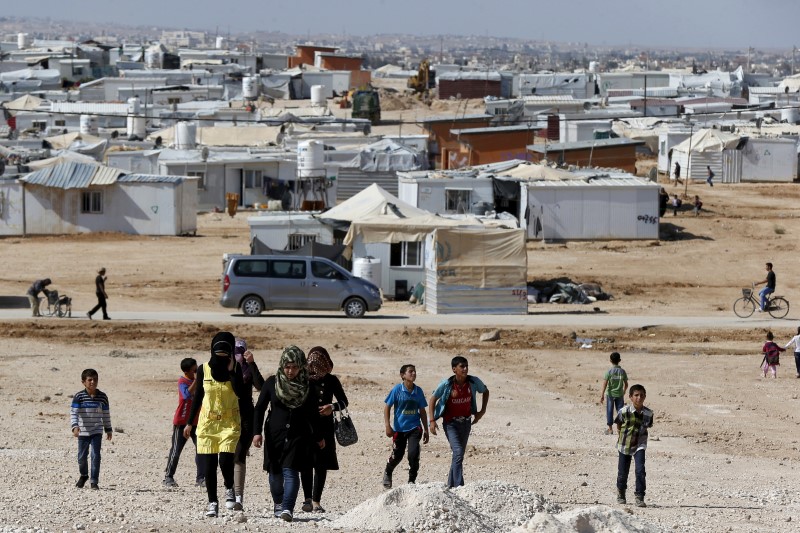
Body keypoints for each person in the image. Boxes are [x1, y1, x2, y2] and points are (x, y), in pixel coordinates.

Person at [252, 346, 324, 523]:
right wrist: (256, 433)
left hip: (298, 435)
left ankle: (287, 508)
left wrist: (319, 436)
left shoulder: (308, 386)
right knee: (275, 475)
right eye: (287, 366)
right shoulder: (271, 383)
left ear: (301, 366)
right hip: (274, 435)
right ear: (282, 365)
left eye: (294, 367)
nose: (290, 371)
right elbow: (260, 408)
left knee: (291, 472)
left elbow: (314, 414)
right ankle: (278, 502)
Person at [184, 332, 244, 518]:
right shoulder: (203, 369)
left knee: (225, 460)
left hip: (229, 422)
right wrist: (189, 423)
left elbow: (240, 392)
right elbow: (198, 397)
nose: (220, 358)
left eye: (224, 354)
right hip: (207, 423)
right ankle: (212, 502)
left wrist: (233, 370)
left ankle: (229, 487)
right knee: (209, 466)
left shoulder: (236, 369)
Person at [428, 356, 489, 488]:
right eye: (462, 366)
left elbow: (485, 391)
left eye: (466, 366)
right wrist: (432, 420)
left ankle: (450, 486)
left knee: (458, 455)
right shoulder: (447, 384)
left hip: (466, 423)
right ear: (454, 369)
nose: (465, 369)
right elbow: (433, 399)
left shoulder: (473, 382)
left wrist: (482, 411)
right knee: (458, 452)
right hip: (451, 424)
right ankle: (459, 486)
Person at [301, 346, 348, 513]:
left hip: (325, 426)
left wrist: (332, 407)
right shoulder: (303, 379)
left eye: (319, 362)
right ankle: (306, 499)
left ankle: (316, 501)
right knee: (306, 463)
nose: (315, 366)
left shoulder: (331, 380)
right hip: (306, 425)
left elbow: (344, 402)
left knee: (321, 465)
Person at [230, 338, 265, 511]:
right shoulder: (221, 368)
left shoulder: (247, 369)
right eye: (234, 350)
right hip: (226, 417)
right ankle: (229, 491)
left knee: (239, 455)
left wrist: (252, 364)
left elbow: (261, 386)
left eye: (240, 351)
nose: (237, 354)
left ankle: (238, 496)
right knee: (225, 456)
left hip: (245, 417)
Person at [383, 364, 428, 489]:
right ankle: (388, 471)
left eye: (415, 371)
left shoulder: (418, 391)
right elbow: (387, 407)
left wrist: (426, 430)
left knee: (412, 454)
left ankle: (411, 480)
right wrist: (388, 426)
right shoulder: (397, 390)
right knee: (397, 455)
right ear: (403, 375)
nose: (413, 374)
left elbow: (422, 411)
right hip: (399, 429)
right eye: (410, 371)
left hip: (415, 427)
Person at [163, 358, 205, 488]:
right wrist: (197, 381)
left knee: (201, 450)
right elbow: (186, 395)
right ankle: (168, 477)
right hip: (181, 422)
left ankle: (201, 478)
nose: (196, 372)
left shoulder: (199, 382)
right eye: (194, 370)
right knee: (176, 450)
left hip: (196, 422)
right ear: (187, 371)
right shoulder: (183, 381)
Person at [71, 368, 113, 490]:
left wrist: (108, 429)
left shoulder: (103, 397)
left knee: (96, 455)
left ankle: (94, 481)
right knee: (81, 457)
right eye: (90, 380)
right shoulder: (79, 397)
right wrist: (75, 427)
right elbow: (74, 413)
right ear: (83, 382)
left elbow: (106, 414)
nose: (93, 382)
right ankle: (84, 475)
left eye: (95, 379)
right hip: (83, 432)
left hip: (96, 431)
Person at [615, 384, 653, 508]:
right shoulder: (624, 411)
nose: (639, 398)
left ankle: (639, 496)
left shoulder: (648, 413)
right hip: (625, 444)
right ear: (631, 397)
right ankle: (621, 492)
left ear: (645, 396)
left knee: (640, 470)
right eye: (636, 395)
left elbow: (648, 426)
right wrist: (621, 436)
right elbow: (619, 424)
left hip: (640, 445)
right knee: (623, 472)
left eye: (641, 395)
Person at [599, 352, 628, 435]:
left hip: (610, 394)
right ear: (620, 360)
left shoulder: (609, 371)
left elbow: (605, 383)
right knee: (620, 411)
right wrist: (624, 391)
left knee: (609, 410)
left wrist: (602, 395)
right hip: (619, 394)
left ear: (610, 360)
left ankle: (610, 429)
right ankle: (619, 429)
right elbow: (626, 384)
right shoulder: (622, 371)